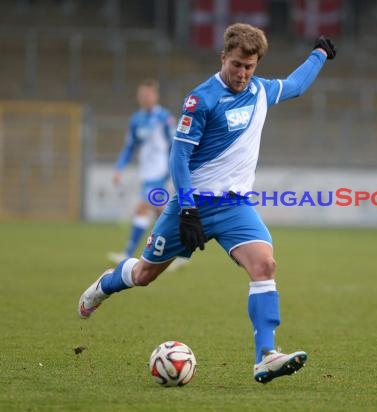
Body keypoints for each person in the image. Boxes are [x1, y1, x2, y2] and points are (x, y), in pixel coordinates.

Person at [78, 23, 337, 384]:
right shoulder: (200, 99)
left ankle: (266, 355)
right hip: (193, 204)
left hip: (235, 207)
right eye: (236, 65)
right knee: (145, 275)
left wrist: (319, 54)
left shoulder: (261, 91)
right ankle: (104, 286)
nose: (242, 74)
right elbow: (179, 156)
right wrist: (186, 207)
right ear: (223, 57)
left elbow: (295, 86)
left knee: (264, 266)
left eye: (249, 67)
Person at [106, 79, 177, 266]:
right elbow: (130, 147)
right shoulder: (136, 120)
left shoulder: (165, 118)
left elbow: (176, 145)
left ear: (156, 96)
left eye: (148, 94)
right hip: (147, 173)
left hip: (161, 173)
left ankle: (128, 253)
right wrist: (119, 168)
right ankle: (180, 250)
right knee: (161, 213)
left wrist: (173, 170)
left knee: (143, 208)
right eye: (142, 95)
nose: (144, 98)